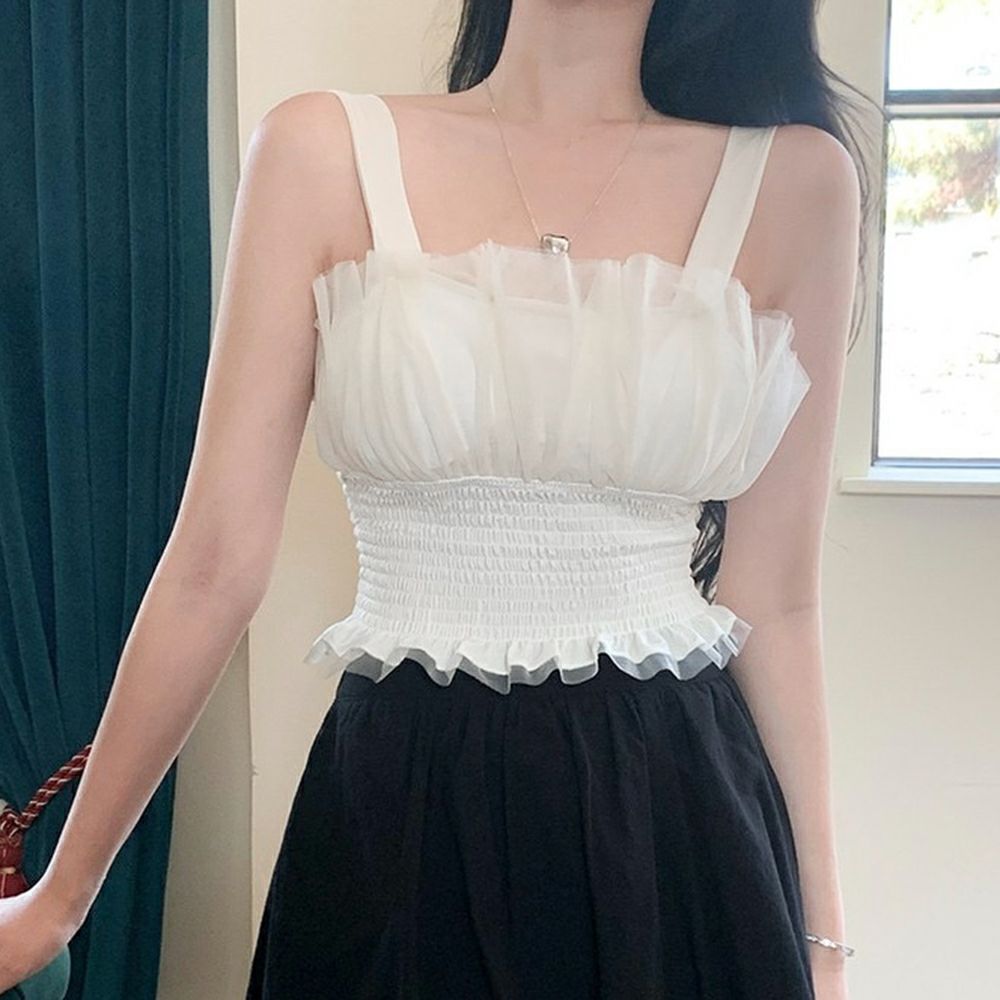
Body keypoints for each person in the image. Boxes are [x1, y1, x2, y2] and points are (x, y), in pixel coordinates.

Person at [0, 1, 865, 997]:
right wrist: (61, 897)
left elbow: (775, 601)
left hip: (676, 818)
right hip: (398, 805)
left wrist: (822, 947)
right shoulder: (319, 151)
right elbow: (212, 563)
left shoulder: (796, 182)